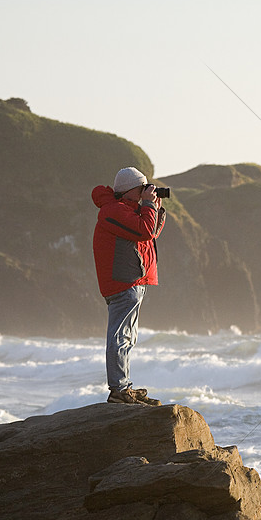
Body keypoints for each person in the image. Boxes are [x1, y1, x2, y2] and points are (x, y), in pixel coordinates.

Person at [92, 167, 166, 406]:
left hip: (133, 281)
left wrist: (155, 206)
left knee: (128, 337)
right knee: (120, 337)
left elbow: (150, 232)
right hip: (122, 282)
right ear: (130, 190)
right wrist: (148, 205)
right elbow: (144, 231)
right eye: (142, 187)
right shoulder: (112, 211)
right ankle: (119, 390)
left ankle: (124, 387)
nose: (146, 190)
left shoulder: (127, 210)